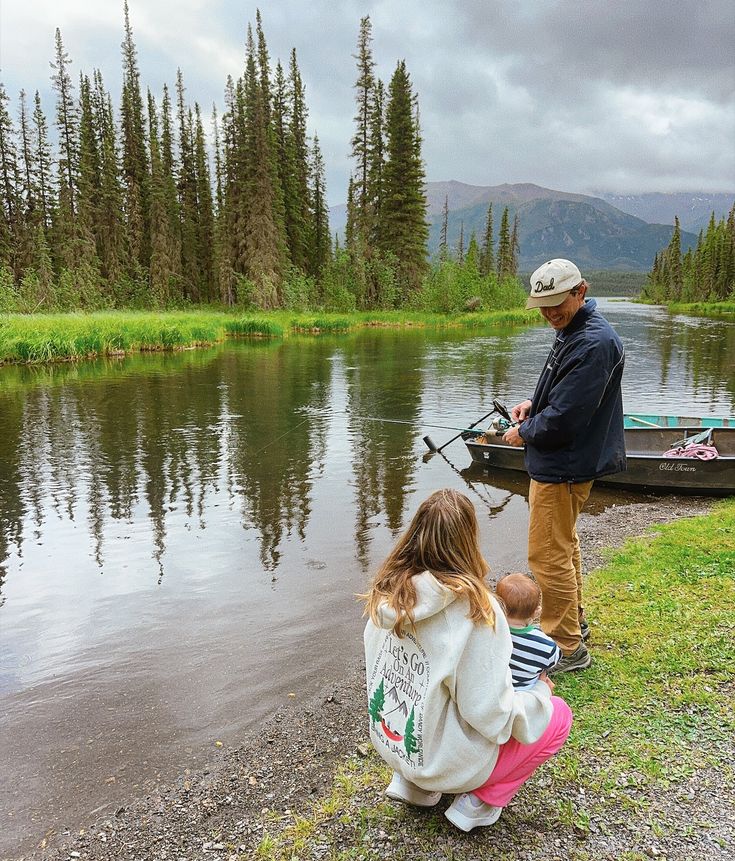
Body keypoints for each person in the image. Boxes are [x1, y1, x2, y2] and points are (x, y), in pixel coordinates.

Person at [362, 489, 572, 832]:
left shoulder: (386, 598)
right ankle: (477, 802)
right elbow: (493, 716)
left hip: (394, 745)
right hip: (445, 763)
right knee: (558, 716)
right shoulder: (477, 613)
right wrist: (539, 695)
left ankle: (414, 784)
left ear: (413, 535)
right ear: (468, 540)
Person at [503, 259, 625, 673]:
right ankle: (574, 621)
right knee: (564, 546)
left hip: (565, 465)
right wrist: (532, 405)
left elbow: (567, 418)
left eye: (558, 302)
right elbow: (564, 395)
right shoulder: (573, 331)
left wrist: (525, 431)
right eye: (543, 305)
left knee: (547, 556)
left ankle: (565, 645)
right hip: (566, 463)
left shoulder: (592, 342)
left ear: (581, 291)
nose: (550, 312)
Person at [495, 573, 561, 689]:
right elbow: (554, 658)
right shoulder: (545, 644)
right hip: (529, 694)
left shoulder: (492, 632)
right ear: (536, 612)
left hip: (499, 691)